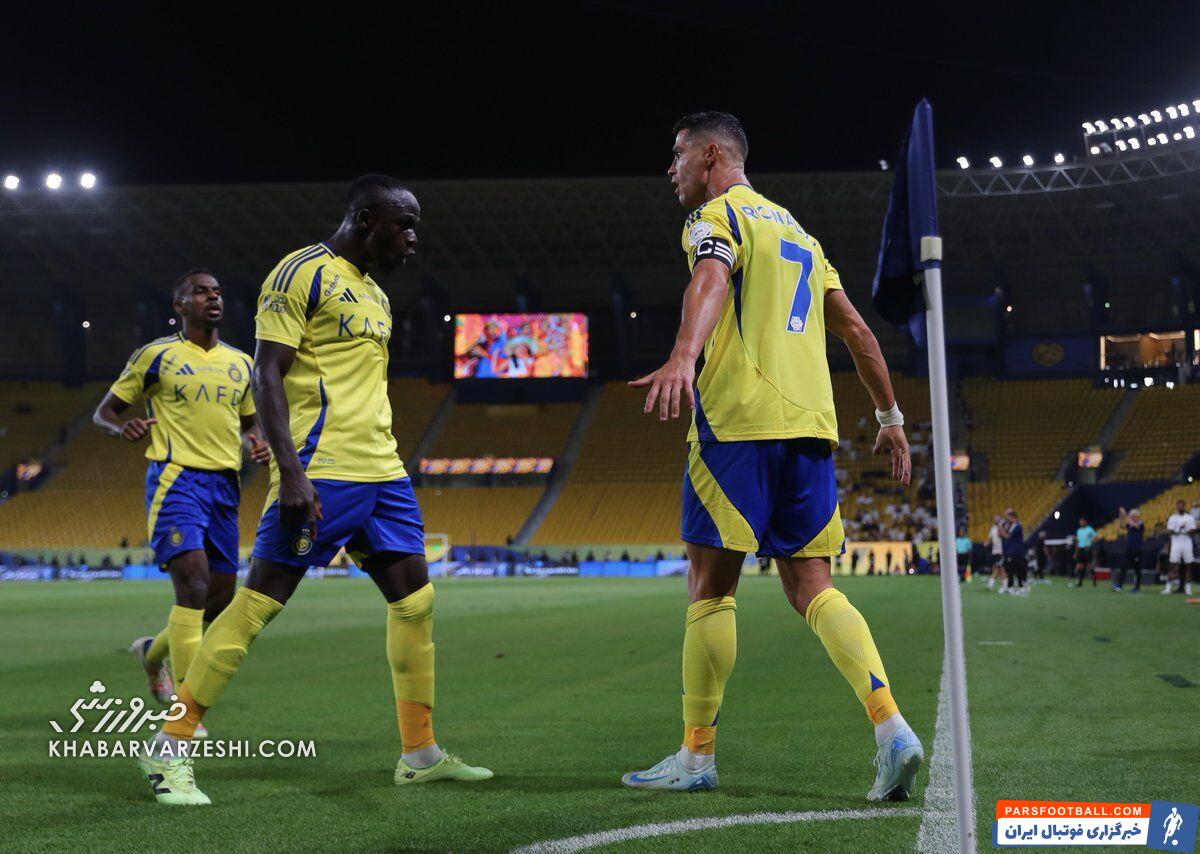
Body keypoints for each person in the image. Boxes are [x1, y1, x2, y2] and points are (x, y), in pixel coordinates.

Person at [136, 175, 491, 806]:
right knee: (256, 605)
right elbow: (267, 372)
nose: (412, 239)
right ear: (366, 219)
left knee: (415, 602)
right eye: (404, 225)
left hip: (383, 471)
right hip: (321, 468)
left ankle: (420, 754)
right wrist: (292, 472)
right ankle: (170, 745)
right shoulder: (301, 272)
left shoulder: (376, 294)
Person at [621, 112, 922, 801]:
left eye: (677, 154)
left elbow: (711, 278)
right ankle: (891, 728)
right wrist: (891, 420)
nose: (671, 168)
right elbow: (858, 332)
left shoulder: (717, 217)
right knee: (814, 586)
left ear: (712, 155)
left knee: (709, 588)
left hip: (737, 423)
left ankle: (696, 757)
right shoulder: (801, 236)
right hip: (811, 429)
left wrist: (683, 355)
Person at [93, 270, 269, 730]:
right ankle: (186, 712)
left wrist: (258, 441)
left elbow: (250, 421)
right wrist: (122, 427)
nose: (213, 297)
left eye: (217, 291)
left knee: (218, 597)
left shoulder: (240, 363)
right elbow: (105, 411)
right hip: (177, 481)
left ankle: (151, 655)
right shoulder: (156, 356)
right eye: (201, 291)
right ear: (180, 305)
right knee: (192, 585)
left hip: (225, 487)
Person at [1164, 499, 1196, 595]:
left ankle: (1188, 589)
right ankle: (1168, 588)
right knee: (1172, 564)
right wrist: (1178, 529)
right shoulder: (1173, 518)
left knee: (1188, 565)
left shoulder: (1189, 518)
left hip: (1187, 543)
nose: (1180, 507)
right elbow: (1169, 530)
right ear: (1176, 506)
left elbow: (1193, 531)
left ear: (1184, 506)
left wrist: (1185, 529)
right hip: (1176, 543)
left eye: (1182, 505)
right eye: (1178, 505)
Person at [1114, 506, 1144, 592]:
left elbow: (1135, 526)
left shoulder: (1140, 523)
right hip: (1129, 549)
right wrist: (1121, 516)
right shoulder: (1130, 525)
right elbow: (1122, 525)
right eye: (1131, 516)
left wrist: (1125, 515)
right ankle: (1119, 585)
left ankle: (1137, 587)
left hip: (1137, 550)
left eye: (1133, 516)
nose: (1131, 517)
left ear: (1137, 517)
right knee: (1123, 567)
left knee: (1137, 569)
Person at [1000, 508, 1027, 596]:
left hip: (1017, 552)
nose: (1007, 519)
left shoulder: (1017, 526)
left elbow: (1008, 536)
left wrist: (1001, 530)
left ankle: (1021, 586)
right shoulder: (1012, 526)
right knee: (1010, 569)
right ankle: (1010, 586)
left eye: (1009, 517)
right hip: (1012, 552)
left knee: (1018, 569)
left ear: (1013, 517)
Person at [1071, 517, 1098, 587]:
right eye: (1080, 521)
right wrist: (1076, 552)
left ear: (1085, 522)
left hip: (1087, 549)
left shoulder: (1089, 529)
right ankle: (1080, 582)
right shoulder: (1079, 530)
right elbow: (1078, 541)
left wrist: (1091, 544)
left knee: (1089, 566)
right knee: (1079, 565)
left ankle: (1094, 580)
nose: (1081, 523)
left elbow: (1096, 537)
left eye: (1082, 521)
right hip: (1080, 549)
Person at [986, 514, 1005, 591]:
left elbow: (1004, 536)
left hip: (1001, 550)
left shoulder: (1003, 527)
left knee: (999, 568)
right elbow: (990, 538)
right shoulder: (993, 528)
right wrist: (987, 542)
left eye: (997, 518)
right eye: (995, 518)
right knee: (997, 568)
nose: (996, 519)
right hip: (994, 551)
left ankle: (991, 584)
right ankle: (1005, 584)